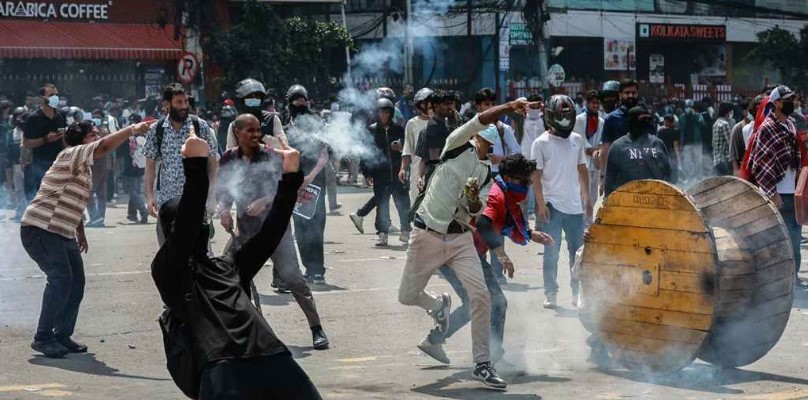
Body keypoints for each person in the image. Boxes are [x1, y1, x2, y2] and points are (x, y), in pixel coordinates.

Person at [151, 129, 323, 399]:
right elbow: (186, 228)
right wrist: (195, 167)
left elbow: (269, 233)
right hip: (268, 363)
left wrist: (290, 179)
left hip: (242, 368)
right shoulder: (173, 271)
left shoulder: (224, 266)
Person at [399, 98, 534, 389]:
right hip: (427, 233)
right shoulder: (456, 143)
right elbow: (482, 118)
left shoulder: (486, 172)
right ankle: (438, 305)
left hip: (460, 239)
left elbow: (476, 212)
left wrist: (472, 199)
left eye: (489, 140)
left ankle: (483, 364)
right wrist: (511, 106)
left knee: (483, 297)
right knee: (407, 296)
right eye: (484, 133)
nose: (485, 140)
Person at [22, 119, 150, 358]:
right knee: (61, 279)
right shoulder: (72, 154)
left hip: (62, 231)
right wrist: (131, 129)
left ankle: (61, 334)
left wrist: (80, 231)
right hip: (41, 227)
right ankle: (43, 337)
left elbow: (76, 199)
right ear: (82, 140)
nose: (97, 137)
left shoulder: (84, 166)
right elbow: (103, 146)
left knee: (76, 282)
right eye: (92, 134)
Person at [417, 152, 554, 366]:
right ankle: (493, 357)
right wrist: (501, 254)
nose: (526, 186)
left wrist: (531, 234)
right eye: (523, 181)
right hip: (456, 252)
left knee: (477, 303)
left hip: (459, 252)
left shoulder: (504, 193)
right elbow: (484, 223)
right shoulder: (496, 194)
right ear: (508, 178)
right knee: (496, 302)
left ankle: (434, 340)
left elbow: (506, 222)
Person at [217, 114, 329, 349]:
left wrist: (264, 201)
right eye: (250, 130)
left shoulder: (272, 155)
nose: (256, 134)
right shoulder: (228, 158)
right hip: (245, 230)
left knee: (294, 279)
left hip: (276, 231)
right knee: (229, 276)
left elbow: (288, 189)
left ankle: (316, 328)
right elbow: (224, 191)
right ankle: (245, 332)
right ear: (237, 133)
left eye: (258, 129)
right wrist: (224, 211)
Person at [531, 95, 592, 309]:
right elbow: (536, 176)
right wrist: (540, 204)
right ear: (550, 117)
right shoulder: (540, 143)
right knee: (551, 253)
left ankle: (577, 293)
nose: (565, 122)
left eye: (568, 118)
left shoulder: (576, 139)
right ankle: (551, 293)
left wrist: (588, 199)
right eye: (561, 118)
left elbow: (582, 169)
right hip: (552, 206)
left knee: (578, 253)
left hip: (575, 206)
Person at [143, 83, 219, 245]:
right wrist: (150, 197)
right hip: (167, 202)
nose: (184, 106)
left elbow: (213, 162)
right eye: (178, 102)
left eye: (185, 101)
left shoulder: (201, 127)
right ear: (167, 104)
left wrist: (211, 196)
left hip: (197, 201)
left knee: (199, 253)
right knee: (167, 252)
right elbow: (150, 167)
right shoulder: (157, 130)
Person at [747, 86, 802, 284]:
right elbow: (762, 163)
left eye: (793, 99)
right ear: (776, 103)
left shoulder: (792, 124)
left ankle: (791, 276)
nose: (792, 103)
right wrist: (772, 192)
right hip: (776, 193)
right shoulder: (767, 127)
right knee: (775, 238)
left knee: (794, 237)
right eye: (787, 99)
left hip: (793, 192)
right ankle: (774, 280)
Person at [282, 84, 330, 285]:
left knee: (316, 226)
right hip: (294, 184)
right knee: (300, 228)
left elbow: (325, 154)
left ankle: (318, 269)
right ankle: (308, 268)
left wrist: (310, 177)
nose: (300, 102)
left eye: (303, 99)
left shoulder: (317, 123)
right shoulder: (285, 128)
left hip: (314, 182)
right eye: (296, 99)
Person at [361, 98, 411, 246]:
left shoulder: (398, 130)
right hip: (380, 173)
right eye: (381, 112)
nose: (384, 115)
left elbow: (407, 149)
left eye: (387, 112)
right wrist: (366, 173)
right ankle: (382, 234)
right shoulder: (371, 130)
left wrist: (400, 148)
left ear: (391, 113)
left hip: (397, 172)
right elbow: (366, 153)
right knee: (382, 205)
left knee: (402, 203)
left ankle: (406, 230)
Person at [604, 105, 672, 197]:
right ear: (632, 121)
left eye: (648, 119)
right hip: (626, 202)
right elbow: (610, 179)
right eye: (643, 119)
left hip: (655, 200)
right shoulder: (618, 146)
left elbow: (667, 174)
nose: (646, 122)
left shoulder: (658, 144)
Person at [22, 83, 66, 201]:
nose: (55, 97)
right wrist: (45, 139)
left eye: (56, 94)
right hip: (39, 165)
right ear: (42, 98)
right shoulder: (33, 118)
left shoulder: (61, 116)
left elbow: (64, 140)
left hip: (58, 164)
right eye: (51, 95)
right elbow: (26, 143)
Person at [599, 79, 640, 196]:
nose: (631, 96)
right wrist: (602, 178)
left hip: (641, 174)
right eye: (627, 93)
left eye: (633, 93)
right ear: (620, 95)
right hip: (617, 175)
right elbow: (605, 148)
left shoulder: (645, 115)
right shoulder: (611, 119)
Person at [573, 90, 604, 226]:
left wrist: (598, 149)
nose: (595, 105)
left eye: (597, 103)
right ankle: (581, 220)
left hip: (596, 159)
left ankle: (588, 219)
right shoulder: (579, 119)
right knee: (582, 191)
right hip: (583, 160)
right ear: (587, 103)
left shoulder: (602, 121)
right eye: (593, 103)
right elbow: (579, 137)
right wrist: (589, 149)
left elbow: (603, 140)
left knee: (594, 193)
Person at [399, 87, 433, 203]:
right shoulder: (412, 124)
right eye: (423, 103)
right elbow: (407, 148)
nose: (427, 106)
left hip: (436, 169)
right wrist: (403, 168)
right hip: (417, 170)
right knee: (417, 205)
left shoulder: (443, 122)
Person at [520, 94, 544, 218]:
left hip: (540, 162)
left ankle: (540, 225)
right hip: (524, 160)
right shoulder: (521, 120)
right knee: (523, 196)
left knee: (539, 195)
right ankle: (524, 225)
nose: (535, 109)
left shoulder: (544, 120)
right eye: (532, 106)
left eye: (537, 106)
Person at [124, 114, 149, 223]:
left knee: (132, 192)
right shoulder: (145, 136)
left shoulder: (128, 136)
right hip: (141, 167)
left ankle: (144, 211)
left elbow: (120, 150)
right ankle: (132, 214)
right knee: (136, 191)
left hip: (130, 168)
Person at [7, 107, 27, 220]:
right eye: (17, 116)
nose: (19, 119)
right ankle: (20, 212)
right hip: (16, 165)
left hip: (28, 164)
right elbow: (9, 150)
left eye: (22, 116)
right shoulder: (11, 133)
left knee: (30, 189)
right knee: (19, 189)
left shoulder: (30, 132)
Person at [729, 98, 754, 176]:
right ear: (744, 111)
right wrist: (736, 170)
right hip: (742, 167)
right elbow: (733, 152)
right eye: (749, 110)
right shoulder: (738, 128)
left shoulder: (758, 126)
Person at [657, 115, 681, 182]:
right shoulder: (676, 131)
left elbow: (658, 145)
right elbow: (675, 145)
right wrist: (678, 158)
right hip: (672, 154)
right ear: (673, 121)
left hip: (662, 154)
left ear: (665, 121)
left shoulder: (660, 131)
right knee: (673, 173)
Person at [712, 102, 734, 176]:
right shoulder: (725, 124)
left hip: (717, 160)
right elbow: (730, 143)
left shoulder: (716, 123)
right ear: (727, 112)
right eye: (730, 111)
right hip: (724, 160)